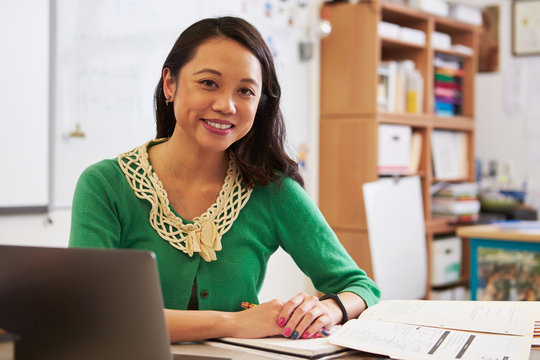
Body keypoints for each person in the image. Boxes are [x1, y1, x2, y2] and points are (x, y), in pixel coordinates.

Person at [69, 16, 380, 342]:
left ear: (259, 103)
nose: (226, 105)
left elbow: (362, 288)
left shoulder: (273, 191)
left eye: (245, 91)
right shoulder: (104, 185)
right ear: (170, 84)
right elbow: (90, 311)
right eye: (208, 83)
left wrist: (328, 310)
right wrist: (234, 323)